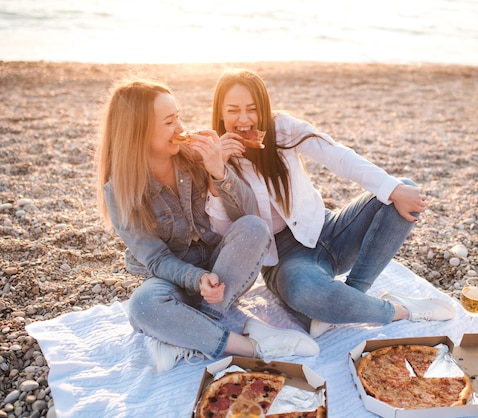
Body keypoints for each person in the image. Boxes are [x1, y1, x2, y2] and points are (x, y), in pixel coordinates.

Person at [209, 69, 456, 338]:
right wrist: (217, 174)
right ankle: (400, 309)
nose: (244, 120)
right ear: (220, 113)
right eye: (233, 110)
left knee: (402, 191)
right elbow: (225, 233)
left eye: (252, 109)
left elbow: (337, 156)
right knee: (308, 293)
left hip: (327, 229)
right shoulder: (212, 157)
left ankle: (352, 296)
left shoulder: (283, 129)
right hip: (282, 260)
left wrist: (393, 188)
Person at [95, 79, 319, 372]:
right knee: (141, 306)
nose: (180, 128)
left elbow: (247, 212)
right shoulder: (119, 190)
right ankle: (249, 344)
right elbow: (156, 259)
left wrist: (218, 170)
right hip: (174, 277)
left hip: (222, 271)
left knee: (254, 227)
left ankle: (182, 335)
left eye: (178, 117)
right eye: (169, 122)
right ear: (138, 133)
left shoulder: (195, 155)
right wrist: (196, 279)